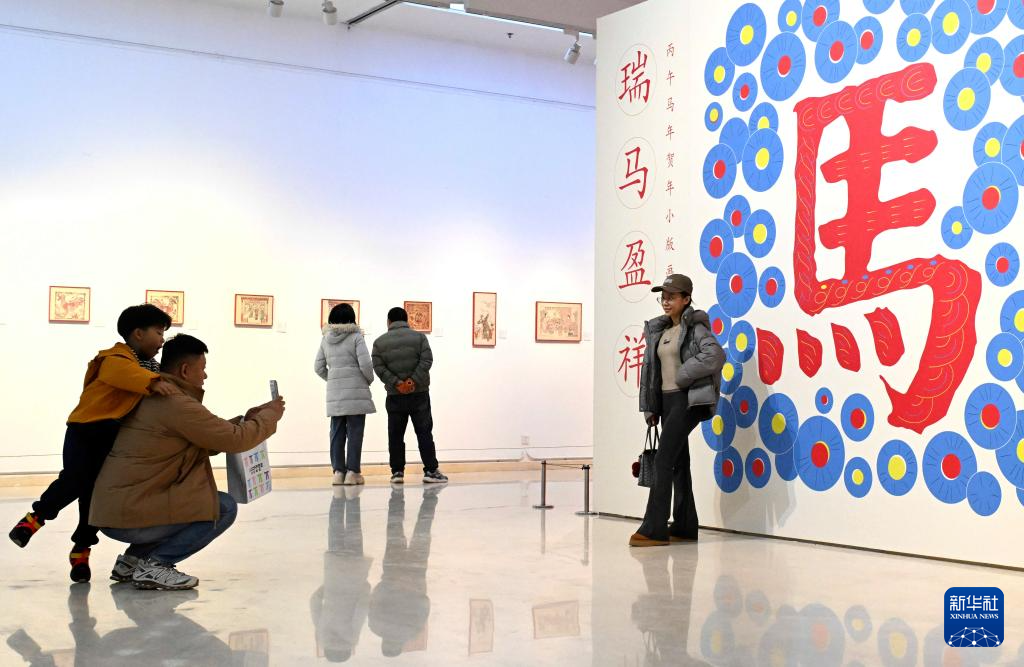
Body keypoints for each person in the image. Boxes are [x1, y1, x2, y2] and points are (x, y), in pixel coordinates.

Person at [89, 334, 286, 590]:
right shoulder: (174, 402)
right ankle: (157, 564)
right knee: (222, 507)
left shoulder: (160, 397)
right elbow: (235, 440)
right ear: (185, 370)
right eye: (202, 369)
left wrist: (247, 419)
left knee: (199, 502)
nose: (205, 376)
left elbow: (209, 439)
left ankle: (132, 561)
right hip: (128, 515)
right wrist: (271, 416)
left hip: (120, 509)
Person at [8, 304, 176, 583]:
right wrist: (154, 382)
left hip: (114, 436)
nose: (161, 340)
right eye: (158, 333)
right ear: (138, 333)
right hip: (86, 430)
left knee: (96, 496)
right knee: (75, 479)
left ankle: (81, 551)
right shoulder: (115, 358)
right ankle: (34, 519)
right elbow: (123, 375)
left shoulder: (151, 368)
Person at [633, 274, 725, 547]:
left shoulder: (695, 328)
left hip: (687, 400)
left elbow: (716, 355)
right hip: (666, 402)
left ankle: (654, 529)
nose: (666, 301)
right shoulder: (660, 331)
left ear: (686, 299)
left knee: (663, 460)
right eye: (663, 297)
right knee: (679, 462)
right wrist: (651, 407)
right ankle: (684, 525)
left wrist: (685, 373)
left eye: (672, 297)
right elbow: (653, 373)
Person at [371, 307, 447, 485]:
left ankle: (397, 472)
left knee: (396, 435)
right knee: (424, 432)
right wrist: (412, 382)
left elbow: (379, 367)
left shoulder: (379, 343)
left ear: (389, 322)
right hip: (419, 394)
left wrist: (397, 383)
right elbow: (426, 360)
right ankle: (431, 470)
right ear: (407, 320)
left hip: (395, 395)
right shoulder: (420, 338)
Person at [368, 486, 441, 657]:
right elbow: (375, 597)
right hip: (392, 570)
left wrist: (413, 590)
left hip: (416, 574)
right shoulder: (376, 626)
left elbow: (424, 605)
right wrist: (389, 583)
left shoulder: (412, 631)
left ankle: (430, 496)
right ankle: (397, 492)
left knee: (423, 529)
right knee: (394, 528)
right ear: (384, 644)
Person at [315, 303, 375, 486]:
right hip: (356, 393)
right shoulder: (356, 337)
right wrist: (367, 380)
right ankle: (352, 473)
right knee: (355, 433)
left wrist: (333, 380)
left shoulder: (326, 339)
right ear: (351, 319)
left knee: (336, 433)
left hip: (336, 395)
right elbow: (366, 365)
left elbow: (318, 367)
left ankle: (338, 472)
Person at [310, 486, 372, 662]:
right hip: (334, 569)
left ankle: (352, 497)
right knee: (335, 527)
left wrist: (365, 588)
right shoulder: (321, 632)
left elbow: (361, 608)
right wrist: (327, 586)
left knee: (353, 527)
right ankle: (338, 495)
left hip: (354, 572)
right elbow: (314, 602)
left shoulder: (351, 635)